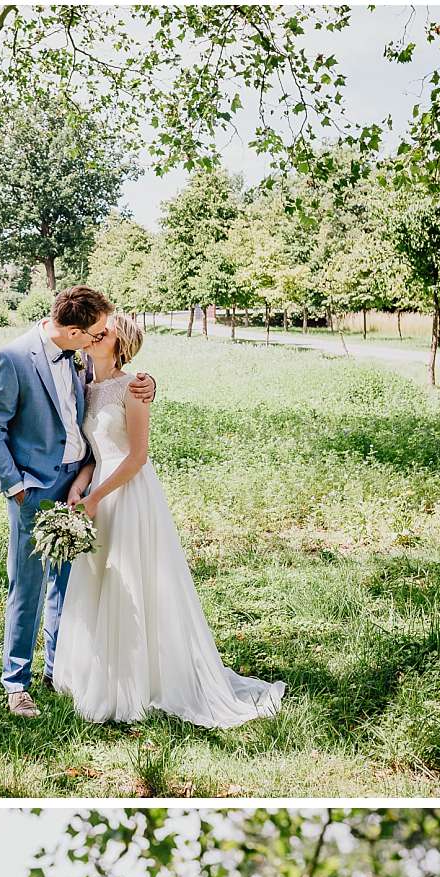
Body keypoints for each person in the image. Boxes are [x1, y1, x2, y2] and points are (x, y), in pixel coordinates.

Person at [52, 310, 287, 728]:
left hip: (129, 494)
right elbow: (94, 451)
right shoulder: (87, 387)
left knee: (135, 579)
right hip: (99, 492)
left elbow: (137, 457)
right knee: (102, 580)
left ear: (118, 343)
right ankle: (99, 672)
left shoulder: (134, 388)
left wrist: (97, 496)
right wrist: (80, 487)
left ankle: (140, 683)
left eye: (102, 334)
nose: (93, 336)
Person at [0, 286, 156, 718]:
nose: (99, 338)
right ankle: (16, 684)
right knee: (28, 585)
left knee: (67, 584)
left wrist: (148, 381)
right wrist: (16, 487)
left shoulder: (77, 360)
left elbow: (112, 386)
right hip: (34, 488)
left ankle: (58, 672)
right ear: (74, 332)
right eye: (94, 333)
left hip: (78, 482)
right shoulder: (13, 358)